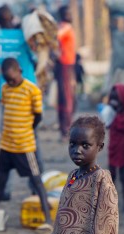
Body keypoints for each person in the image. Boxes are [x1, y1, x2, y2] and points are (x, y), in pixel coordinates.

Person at [0, 58, 52, 233]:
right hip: (6, 146)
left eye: (13, 79)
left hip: (25, 146)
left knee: (36, 181)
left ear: (19, 71)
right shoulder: (5, 89)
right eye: (7, 79)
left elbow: (38, 116)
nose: (10, 82)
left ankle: (48, 220)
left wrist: (26, 130)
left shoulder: (32, 90)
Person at [0, 5, 43, 200]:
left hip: (6, 93)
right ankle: (35, 185)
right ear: (12, 17)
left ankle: (5, 190)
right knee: (32, 140)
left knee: (8, 139)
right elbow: (36, 58)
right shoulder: (24, 37)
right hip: (28, 90)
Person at [107, 84, 124, 212]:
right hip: (114, 143)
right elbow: (107, 124)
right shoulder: (113, 109)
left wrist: (115, 114)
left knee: (122, 174)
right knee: (111, 175)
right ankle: (110, 203)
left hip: (123, 145)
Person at [56, 5, 77, 141]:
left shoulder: (65, 27)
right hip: (65, 65)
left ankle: (66, 129)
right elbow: (56, 37)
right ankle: (66, 130)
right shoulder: (65, 27)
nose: (70, 15)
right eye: (68, 13)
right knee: (66, 99)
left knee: (66, 98)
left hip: (68, 65)